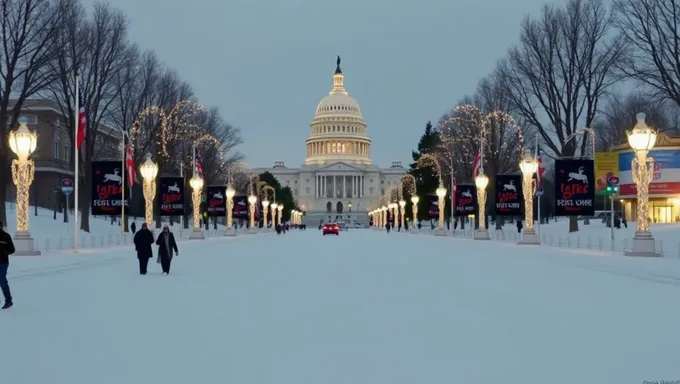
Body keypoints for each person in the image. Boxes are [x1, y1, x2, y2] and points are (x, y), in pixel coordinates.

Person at [0, 221, 16, 309]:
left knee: (2, 281)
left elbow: (12, 249)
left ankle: (8, 300)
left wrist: (5, 252)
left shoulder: (6, 236)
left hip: (3, 262)